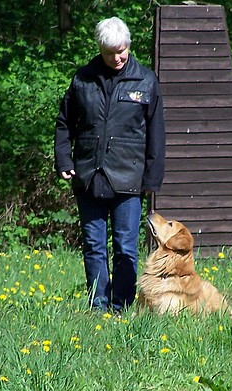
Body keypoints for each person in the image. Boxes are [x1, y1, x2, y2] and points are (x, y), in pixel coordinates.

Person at [54, 17, 165, 313]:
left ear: (128, 45)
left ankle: (122, 308)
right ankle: (98, 307)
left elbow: (156, 134)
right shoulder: (82, 79)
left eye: (121, 50)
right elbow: (65, 123)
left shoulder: (146, 81)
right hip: (89, 175)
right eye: (109, 53)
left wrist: (152, 180)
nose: (116, 58)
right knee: (93, 246)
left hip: (129, 178)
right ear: (99, 49)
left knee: (126, 249)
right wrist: (63, 158)